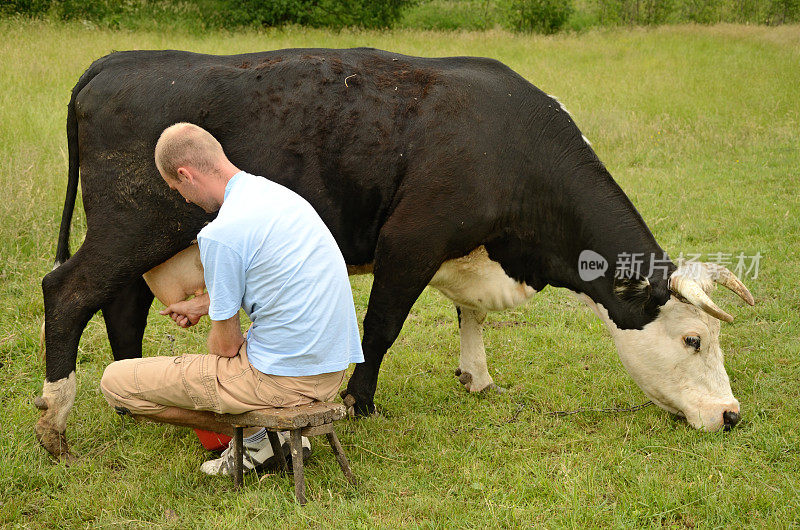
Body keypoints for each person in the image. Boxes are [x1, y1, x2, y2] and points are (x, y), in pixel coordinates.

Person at [100, 122, 364, 476]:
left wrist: (216, 330)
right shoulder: (276, 196)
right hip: (330, 370)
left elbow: (224, 347)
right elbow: (274, 278)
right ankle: (277, 436)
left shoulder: (221, 234)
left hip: (281, 380)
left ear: (185, 174)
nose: (183, 197)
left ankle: (260, 439)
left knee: (116, 383)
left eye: (176, 187)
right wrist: (203, 303)